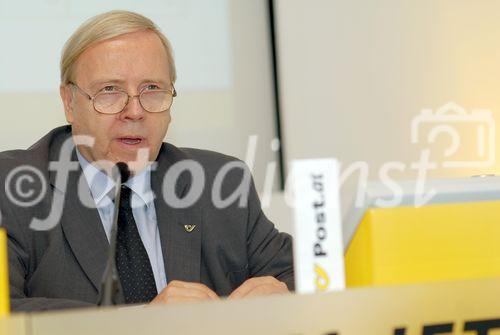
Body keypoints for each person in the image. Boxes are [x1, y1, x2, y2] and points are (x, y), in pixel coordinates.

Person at [0, 10, 293, 312]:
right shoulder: (12, 189)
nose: (135, 111)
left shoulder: (220, 182)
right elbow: (5, 311)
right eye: (110, 90)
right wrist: (141, 322)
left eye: (152, 89)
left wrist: (282, 294)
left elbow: (306, 275)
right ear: (69, 103)